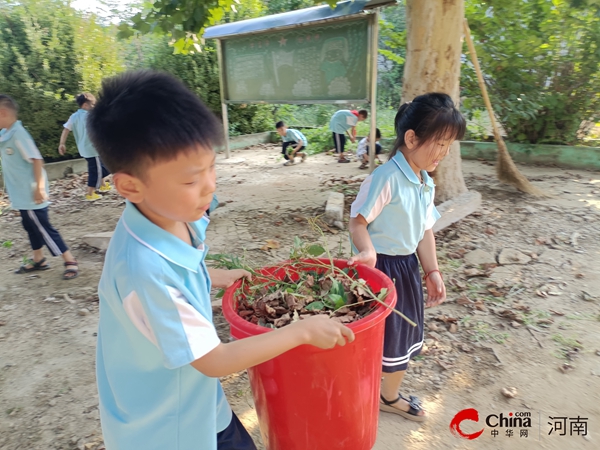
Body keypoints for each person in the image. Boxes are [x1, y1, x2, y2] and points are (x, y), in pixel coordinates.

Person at [87, 70, 355, 450]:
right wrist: (302, 331)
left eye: (211, 167)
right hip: (167, 430)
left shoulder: (170, 217)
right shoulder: (144, 270)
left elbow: (182, 273)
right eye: (191, 179)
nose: (211, 185)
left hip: (196, 404)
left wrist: (216, 275)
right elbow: (214, 360)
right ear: (130, 186)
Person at [347, 93, 466, 422]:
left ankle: (386, 394)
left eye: (448, 146)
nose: (442, 153)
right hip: (381, 270)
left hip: (406, 269)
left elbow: (425, 230)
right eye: (439, 144)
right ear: (411, 138)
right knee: (376, 335)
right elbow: (358, 221)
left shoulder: (424, 181)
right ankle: (379, 394)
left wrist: (433, 271)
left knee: (401, 336)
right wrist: (367, 250)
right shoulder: (386, 178)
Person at [0, 95, 79, 280]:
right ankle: (39, 259)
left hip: (31, 194)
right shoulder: (6, 134)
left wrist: (39, 188)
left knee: (43, 227)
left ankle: (70, 260)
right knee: (30, 226)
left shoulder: (19, 134)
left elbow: (37, 161)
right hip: (21, 194)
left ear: (2, 113)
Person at [59, 93, 111, 201]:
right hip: (92, 149)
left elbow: (66, 129)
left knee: (99, 166)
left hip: (84, 149)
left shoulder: (74, 116)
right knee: (98, 170)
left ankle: (102, 184)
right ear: (85, 105)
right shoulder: (91, 116)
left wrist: (62, 143)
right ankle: (90, 193)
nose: (94, 107)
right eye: (93, 104)